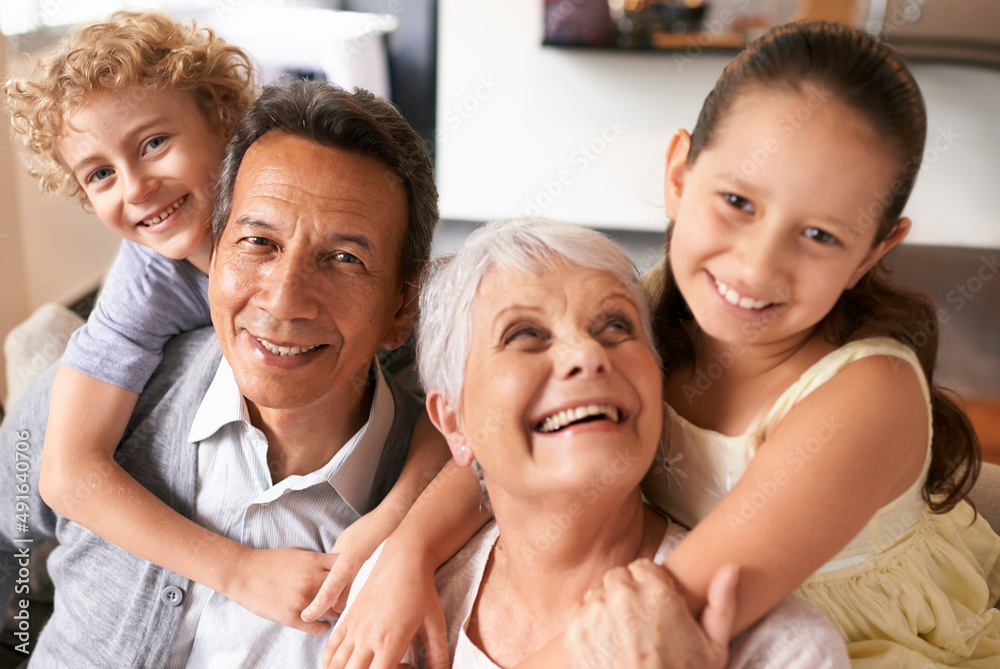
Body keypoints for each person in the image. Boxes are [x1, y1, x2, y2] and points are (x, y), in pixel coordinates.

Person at [323, 21, 1000, 668]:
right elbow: (508, 442)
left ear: (873, 253)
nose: (757, 267)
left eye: (820, 236)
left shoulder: (864, 398)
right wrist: (406, 551)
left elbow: (662, 614)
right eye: (738, 201)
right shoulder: (638, 313)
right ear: (678, 174)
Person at [3, 10, 447, 632]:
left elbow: (459, 419)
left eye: (153, 143)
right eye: (100, 173)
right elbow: (67, 471)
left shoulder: (364, 256)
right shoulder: (148, 279)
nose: (136, 188)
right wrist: (237, 571)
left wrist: (395, 523)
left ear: (223, 118)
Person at [339, 216, 849, 669]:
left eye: (615, 327)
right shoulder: (388, 607)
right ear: (454, 422)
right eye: (525, 335)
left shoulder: (785, 650)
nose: (587, 355)